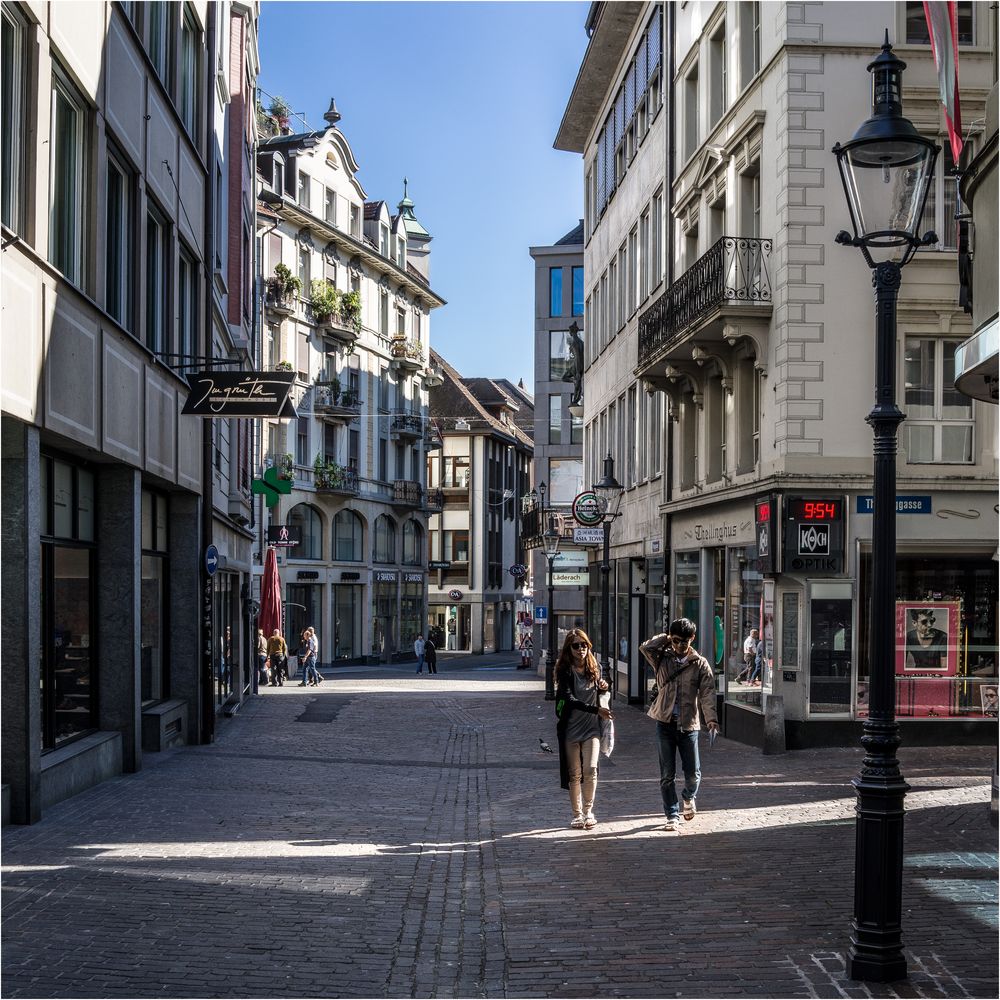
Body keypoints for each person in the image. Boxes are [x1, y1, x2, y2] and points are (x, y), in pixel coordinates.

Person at [639, 617, 720, 832]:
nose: (679, 646)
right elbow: (646, 647)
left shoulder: (700, 663)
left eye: (684, 641)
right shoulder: (662, 659)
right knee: (667, 774)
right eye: (675, 641)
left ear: (692, 639)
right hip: (664, 722)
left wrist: (711, 719)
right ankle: (672, 814)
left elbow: (707, 693)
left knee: (693, 773)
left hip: (688, 725)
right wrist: (666, 638)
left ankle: (688, 797)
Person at [554, 628, 613, 830]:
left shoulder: (593, 668)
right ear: (569, 649)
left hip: (591, 729)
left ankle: (588, 812)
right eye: (576, 645)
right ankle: (577, 814)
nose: (581, 649)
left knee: (591, 769)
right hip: (571, 730)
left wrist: (604, 686)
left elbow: (601, 689)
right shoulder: (564, 671)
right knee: (574, 773)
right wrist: (596, 709)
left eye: (584, 645)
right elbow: (569, 700)